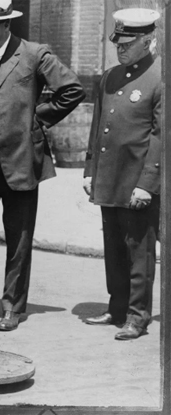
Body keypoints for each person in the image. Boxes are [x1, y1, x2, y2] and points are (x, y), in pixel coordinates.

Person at [0, 0, 85, 331]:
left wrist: (37, 119)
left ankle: (12, 306)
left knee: (18, 236)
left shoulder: (34, 54)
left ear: (6, 25)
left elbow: (72, 90)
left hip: (19, 158)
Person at [83, 8, 161, 341]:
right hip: (109, 178)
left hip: (137, 181)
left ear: (148, 40)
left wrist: (147, 184)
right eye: (118, 43)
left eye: (128, 44)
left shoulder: (160, 78)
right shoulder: (110, 77)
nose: (121, 49)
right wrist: (90, 170)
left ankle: (137, 316)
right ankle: (117, 308)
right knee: (114, 248)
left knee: (139, 252)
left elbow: (160, 137)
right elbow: (98, 127)